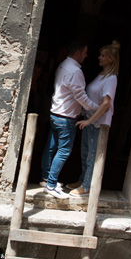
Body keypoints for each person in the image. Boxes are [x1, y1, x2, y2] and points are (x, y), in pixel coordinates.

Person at [40, 38, 98, 199]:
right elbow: (80, 96)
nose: (87, 56)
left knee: (51, 147)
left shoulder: (63, 65)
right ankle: (51, 184)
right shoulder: (75, 71)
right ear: (78, 53)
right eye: (85, 53)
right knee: (63, 151)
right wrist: (95, 107)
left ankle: (45, 178)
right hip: (66, 118)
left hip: (55, 114)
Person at [72, 40, 119, 197]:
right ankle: (83, 179)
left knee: (93, 154)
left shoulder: (111, 78)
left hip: (98, 123)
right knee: (85, 153)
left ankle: (87, 185)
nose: (99, 57)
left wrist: (89, 121)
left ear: (111, 59)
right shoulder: (101, 75)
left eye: (103, 55)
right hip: (90, 119)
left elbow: (106, 103)